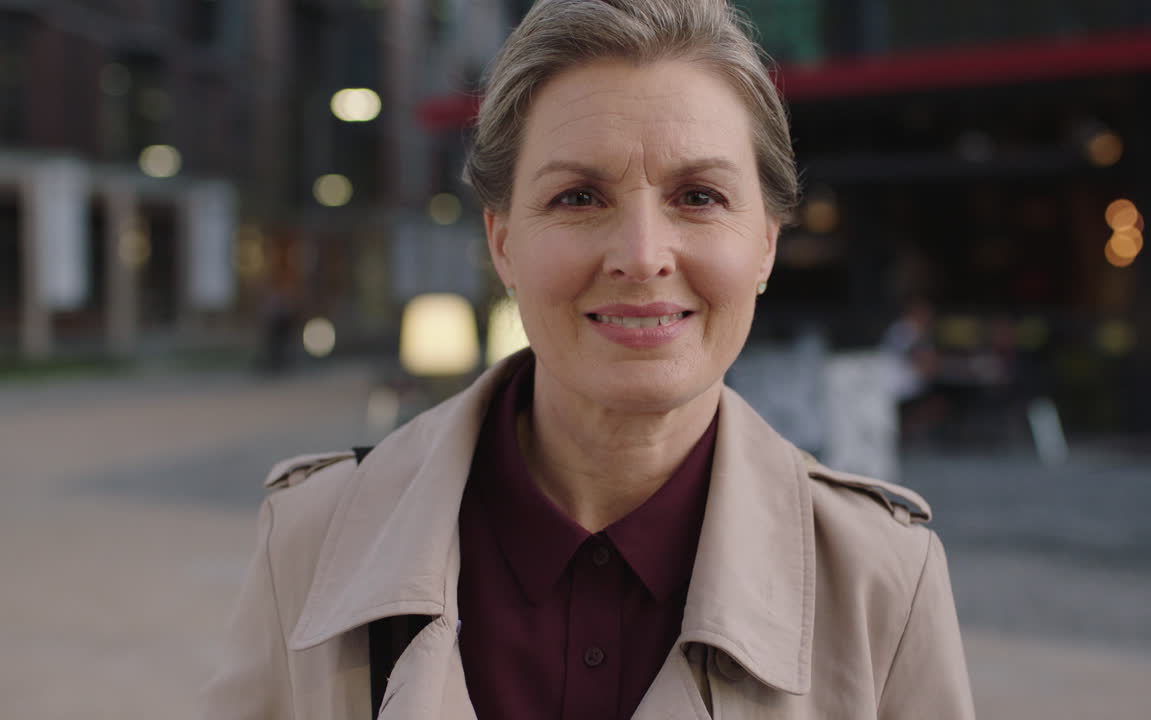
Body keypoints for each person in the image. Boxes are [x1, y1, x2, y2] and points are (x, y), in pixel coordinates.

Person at [202, 1, 974, 718]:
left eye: (699, 196)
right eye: (578, 197)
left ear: (766, 243)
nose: (641, 256)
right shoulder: (312, 539)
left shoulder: (884, 579)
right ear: (503, 241)